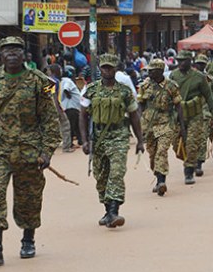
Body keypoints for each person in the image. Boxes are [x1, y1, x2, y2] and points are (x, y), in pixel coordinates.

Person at [0, 36, 61, 265]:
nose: (12, 54)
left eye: (16, 50)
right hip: (0, 149)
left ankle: (28, 239)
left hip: (30, 150)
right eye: (7, 50)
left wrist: (47, 151)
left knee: (29, 198)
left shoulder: (40, 80)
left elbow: (50, 119)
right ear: (0, 54)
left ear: (24, 54)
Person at [79, 53, 144, 227]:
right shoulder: (90, 90)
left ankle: (114, 211)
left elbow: (134, 115)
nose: (107, 70)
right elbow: (83, 116)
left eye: (110, 67)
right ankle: (108, 210)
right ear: (100, 68)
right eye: (104, 67)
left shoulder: (124, 91)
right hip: (98, 138)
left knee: (117, 172)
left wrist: (140, 140)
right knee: (101, 176)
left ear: (116, 69)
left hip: (119, 136)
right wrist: (84, 140)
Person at [169, 51, 213, 184]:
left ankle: (189, 171)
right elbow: (169, 97)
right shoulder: (173, 76)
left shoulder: (199, 77)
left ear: (190, 61)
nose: (180, 63)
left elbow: (209, 97)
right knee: (176, 145)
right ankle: (187, 160)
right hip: (179, 116)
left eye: (183, 60)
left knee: (192, 143)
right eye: (178, 60)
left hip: (195, 116)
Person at [138, 58, 184, 196]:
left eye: (151, 71)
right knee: (152, 153)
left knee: (162, 151)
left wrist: (181, 125)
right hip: (149, 124)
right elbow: (140, 104)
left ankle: (162, 181)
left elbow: (178, 105)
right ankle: (158, 176)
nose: (149, 73)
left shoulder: (171, 86)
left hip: (166, 122)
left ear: (159, 71)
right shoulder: (144, 86)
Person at [60, 67, 83, 146]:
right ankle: (69, 144)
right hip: (71, 107)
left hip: (72, 107)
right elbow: (66, 89)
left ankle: (81, 140)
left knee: (77, 125)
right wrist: (68, 95)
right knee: (71, 126)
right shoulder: (68, 81)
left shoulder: (62, 81)